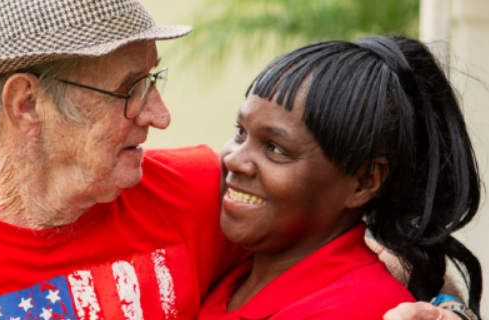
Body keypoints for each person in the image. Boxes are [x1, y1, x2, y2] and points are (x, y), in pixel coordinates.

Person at [0, 0, 470, 319]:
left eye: (153, 78)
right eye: (129, 88)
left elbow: (351, 234)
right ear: (27, 104)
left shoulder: (201, 189)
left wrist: (447, 311)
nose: (159, 114)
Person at [197, 35, 482, 320]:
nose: (233, 159)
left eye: (275, 148)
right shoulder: (239, 261)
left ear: (364, 181)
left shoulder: (357, 309)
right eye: (241, 132)